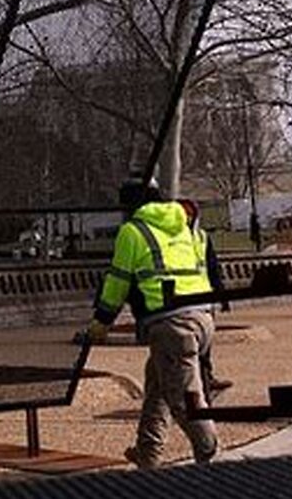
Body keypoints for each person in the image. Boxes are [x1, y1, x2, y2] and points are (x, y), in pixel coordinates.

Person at [85, 174, 219, 469]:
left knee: (184, 401)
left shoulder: (133, 231)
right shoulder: (187, 225)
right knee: (157, 390)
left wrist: (101, 323)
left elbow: (117, 283)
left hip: (171, 325)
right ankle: (148, 457)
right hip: (202, 317)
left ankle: (210, 454)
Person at [176, 198, 234, 403]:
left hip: (204, 300)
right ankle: (195, 393)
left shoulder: (201, 238)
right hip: (183, 302)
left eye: (190, 215)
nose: (187, 218)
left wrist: (222, 296)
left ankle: (206, 379)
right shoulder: (172, 240)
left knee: (204, 350)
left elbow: (213, 269)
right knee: (188, 352)